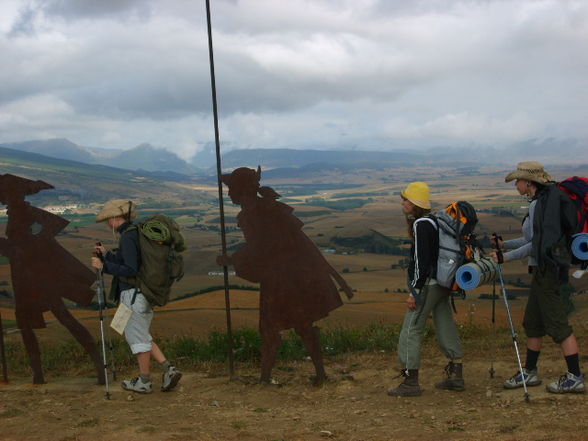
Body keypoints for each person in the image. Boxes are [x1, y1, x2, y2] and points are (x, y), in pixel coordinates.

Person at [216, 167, 353, 385]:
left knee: (284, 326)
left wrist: (233, 260)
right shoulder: (257, 212)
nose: (228, 194)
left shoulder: (264, 212)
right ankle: (290, 376)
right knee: (293, 325)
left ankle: (278, 378)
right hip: (282, 277)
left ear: (240, 190)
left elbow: (263, 247)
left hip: (288, 278)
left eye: (231, 189)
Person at [0, 174, 104, 385]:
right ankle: (38, 374)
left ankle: (99, 366)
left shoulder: (28, 212)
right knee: (26, 325)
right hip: (23, 277)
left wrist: (28, 246)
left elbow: (55, 225)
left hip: (37, 277)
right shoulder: (15, 214)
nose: (6, 199)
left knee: (63, 317)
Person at [490, 161, 584, 394]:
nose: (516, 184)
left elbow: (535, 245)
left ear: (529, 182)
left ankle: (575, 377)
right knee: (533, 323)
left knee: (558, 326)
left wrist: (505, 257)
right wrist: (505, 245)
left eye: (518, 180)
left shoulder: (539, 205)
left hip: (547, 272)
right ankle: (530, 372)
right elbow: (533, 239)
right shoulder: (543, 202)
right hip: (544, 271)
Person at [91, 199, 181, 394]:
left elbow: (130, 269)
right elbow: (133, 262)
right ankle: (169, 369)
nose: (108, 224)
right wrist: (107, 255)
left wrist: (103, 267)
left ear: (116, 217)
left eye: (108, 219)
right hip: (143, 294)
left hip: (133, 295)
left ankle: (144, 381)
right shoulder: (135, 233)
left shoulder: (127, 237)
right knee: (143, 336)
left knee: (138, 341)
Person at [388, 182, 464, 397]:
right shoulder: (434, 221)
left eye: (405, 199)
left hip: (428, 285)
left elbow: (422, 261)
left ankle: (411, 381)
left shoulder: (421, 224)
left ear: (414, 204)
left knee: (411, 329)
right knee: (444, 323)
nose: (402, 203)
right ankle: (456, 374)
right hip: (442, 283)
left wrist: (415, 291)